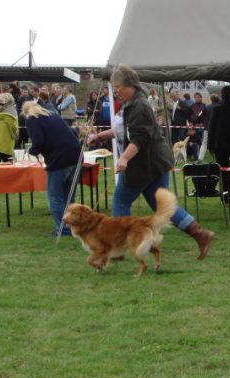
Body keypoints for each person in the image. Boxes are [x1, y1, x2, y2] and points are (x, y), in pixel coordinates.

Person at [87, 64, 215, 260]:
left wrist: (123, 158)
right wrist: (101, 136)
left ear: (128, 85)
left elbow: (140, 139)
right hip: (155, 164)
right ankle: (201, 234)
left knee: (120, 202)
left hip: (143, 165)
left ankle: (116, 251)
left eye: (117, 87)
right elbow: (127, 132)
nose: (116, 91)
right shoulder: (134, 103)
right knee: (162, 207)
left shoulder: (138, 106)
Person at [22, 102, 81, 236]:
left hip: (59, 159)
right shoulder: (53, 115)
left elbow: (38, 141)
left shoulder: (32, 120)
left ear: (25, 113)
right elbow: (72, 132)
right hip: (76, 155)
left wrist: (31, 151)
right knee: (69, 196)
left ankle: (62, 229)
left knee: (55, 197)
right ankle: (72, 226)